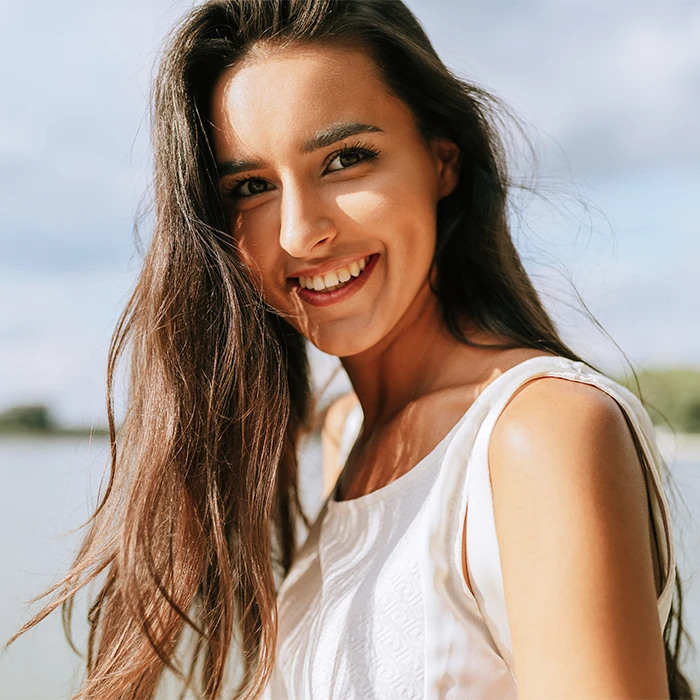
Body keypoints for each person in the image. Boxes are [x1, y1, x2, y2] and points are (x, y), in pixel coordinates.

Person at [7, 0, 696, 698]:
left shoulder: (538, 433)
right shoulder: (349, 436)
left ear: (442, 160)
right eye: (251, 187)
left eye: (345, 159)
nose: (302, 233)